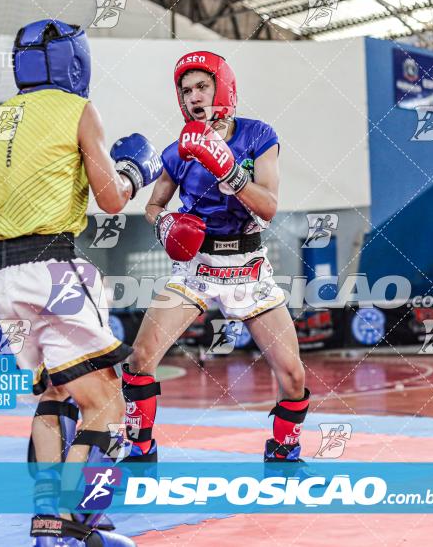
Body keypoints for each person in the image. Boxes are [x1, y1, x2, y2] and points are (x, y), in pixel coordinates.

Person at [0, 19, 160, 546]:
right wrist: (132, 170)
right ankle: (81, 522)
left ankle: (47, 526)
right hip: (51, 269)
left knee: (54, 394)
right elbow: (113, 201)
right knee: (107, 403)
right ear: (75, 63)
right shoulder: (78, 110)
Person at [120, 51, 310, 466]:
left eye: (202, 86)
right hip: (196, 268)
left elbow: (269, 206)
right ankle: (140, 447)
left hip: (250, 268)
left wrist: (228, 170)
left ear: (223, 87)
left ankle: (284, 448)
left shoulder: (259, 136)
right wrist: (165, 226)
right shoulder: (176, 152)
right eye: (186, 91)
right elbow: (154, 206)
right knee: (140, 358)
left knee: (293, 375)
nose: (194, 97)